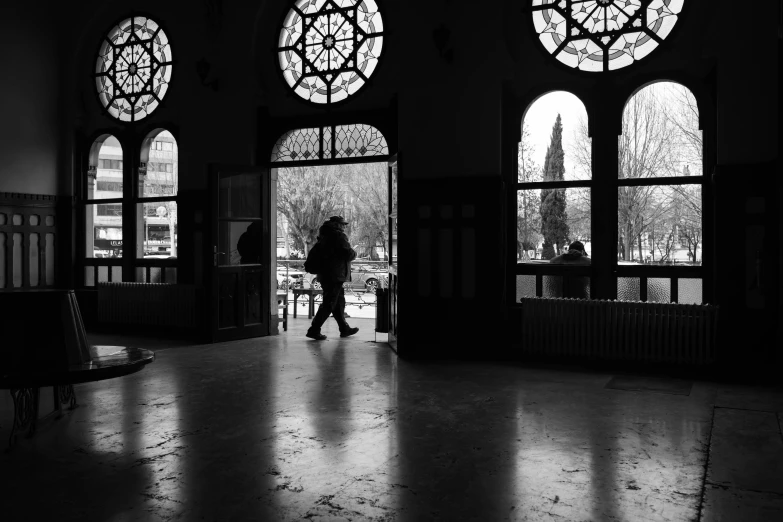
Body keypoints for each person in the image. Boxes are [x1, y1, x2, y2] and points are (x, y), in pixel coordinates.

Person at [306, 216, 359, 340]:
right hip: (335, 275)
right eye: (342, 224)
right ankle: (314, 329)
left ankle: (344, 328)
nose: (344, 227)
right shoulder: (338, 236)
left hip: (326, 274)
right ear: (336, 224)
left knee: (338, 302)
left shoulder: (324, 235)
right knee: (329, 303)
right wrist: (355, 253)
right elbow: (348, 254)